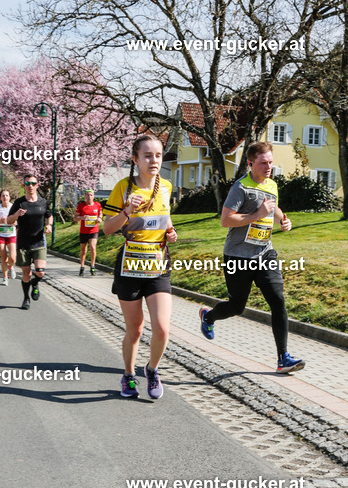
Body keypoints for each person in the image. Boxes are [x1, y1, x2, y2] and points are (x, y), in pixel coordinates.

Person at [199, 141, 305, 374]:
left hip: (265, 253)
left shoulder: (272, 185)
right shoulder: (241, 187)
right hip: (238, 255)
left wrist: (282, 219)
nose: (269, 167)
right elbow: (226, 220)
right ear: (251, 164)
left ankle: (283, 358)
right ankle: (209, 316)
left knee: (278, 301)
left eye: (270, 162)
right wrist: (257, 214)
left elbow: (273, 207)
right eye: (263, 163)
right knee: (237, 306)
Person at [103, 132, 177, 400]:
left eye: (158, 155)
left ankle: (152, 369)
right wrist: (125, 211)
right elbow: (107, 229)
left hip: (158, 265)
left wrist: (171, 233)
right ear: (136, 159)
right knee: (135, 329)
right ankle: (128, 375)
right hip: (130, 268)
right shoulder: (124, 187)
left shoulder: (167, 187)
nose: (154, 160)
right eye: (147, 155)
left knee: (162, 328)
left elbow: (164, 222)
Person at [7, 174, 52, 310]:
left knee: (40, 272)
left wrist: (49, 225)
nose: (30, 186)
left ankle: (35, 283)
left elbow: (49, 216)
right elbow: (9, 220)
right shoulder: (19, 202)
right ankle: (26, 298)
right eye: (27, 183)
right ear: (24, 186)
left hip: (38, 242)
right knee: (26, 273)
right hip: (23, 243)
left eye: (33, 183)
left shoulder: (43, 202)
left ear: (37, 185)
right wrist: (16, 215)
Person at [73, 188, 102, 275]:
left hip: (94, 230)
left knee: (93, 247)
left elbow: (100, 213)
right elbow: (75, 218)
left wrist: (100, 218)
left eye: (91, 195)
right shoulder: (81, 206)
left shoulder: (97, 205)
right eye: (87, 195)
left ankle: (92, 266)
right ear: (85, 196)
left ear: (93, 196)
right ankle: (82, 266)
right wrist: (82, 218)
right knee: (83, 250)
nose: (89, 197)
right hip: (84, 231)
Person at [0, 188, 17, 285]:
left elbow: (17, 220)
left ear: (9, 197)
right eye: (3, 195)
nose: (5, 197)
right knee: (4, 257)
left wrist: (14, 223)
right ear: (0, 198)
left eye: (7, 195)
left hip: (11, 235)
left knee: (12, 258)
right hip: (0, 235)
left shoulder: (13, 207)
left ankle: (11, 267)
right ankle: (5, 278)